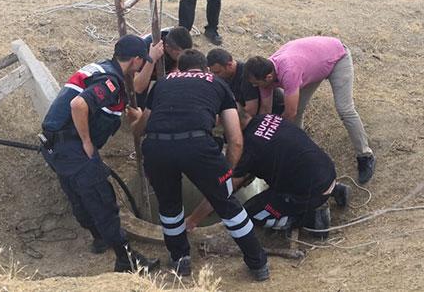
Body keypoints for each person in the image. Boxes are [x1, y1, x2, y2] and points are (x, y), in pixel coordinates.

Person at [134, 49, 270, 281]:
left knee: (169, 207)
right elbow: (236, 139)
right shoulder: (217, 83)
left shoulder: (162, 83)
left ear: (180, 69)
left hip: (157, 147)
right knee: (228, 205)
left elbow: (140, 128)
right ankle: (258, 264)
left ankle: (181, 260)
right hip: (198, 147)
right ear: (205, 69)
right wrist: (227, 171)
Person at [40, 34, 159, 272]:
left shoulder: (105, 70)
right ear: (135, 60)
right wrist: (86, 142)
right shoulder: (110, 81)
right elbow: (79, 105)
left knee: (79, 197)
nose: (141, 66)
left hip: (56, 147)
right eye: (142, 61)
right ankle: (127, 261)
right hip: (73, 147)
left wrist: (153, 60)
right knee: (103, 201)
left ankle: (100, 238)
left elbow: (133, 88)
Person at [186, 114, 350, 234]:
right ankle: (334, 190)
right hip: (326, 172)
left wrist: (193, 220)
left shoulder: (248, 151)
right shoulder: (266, 118)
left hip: (309, 192)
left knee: (251, 214)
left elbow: (222, 191)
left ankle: (311, 219)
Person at [245, 36, 376, 184]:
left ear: (268, 77)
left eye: (257, 84)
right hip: (314, 64)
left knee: (344, 109)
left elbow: (290, 113)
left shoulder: (289, 71)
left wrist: (275, 138)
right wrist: (260, 137)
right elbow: (265, 110)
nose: (255, 87)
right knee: (298, 108)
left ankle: (365, 155)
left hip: (337, 57)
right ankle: (300, 149)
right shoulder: (265, 72)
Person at [206, 48, 285, 125]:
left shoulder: (247, 76)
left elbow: (251, 111)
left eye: (218, 72)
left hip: (273, 112)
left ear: (229, 65)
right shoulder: (225, 76)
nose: (215, 76)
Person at [134, 26, 193, 108]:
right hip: (144, 68)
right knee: (138, 102)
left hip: (165, 69)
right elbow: (138, 87)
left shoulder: (176, 46)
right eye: (180, 54)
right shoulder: (144, 48)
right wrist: (152, 59)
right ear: (167, 47)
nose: (183, 58)